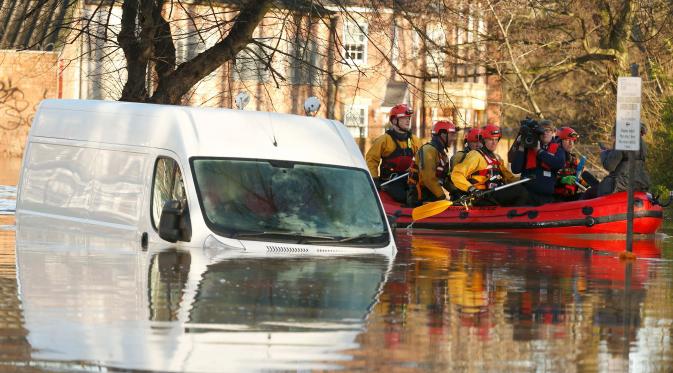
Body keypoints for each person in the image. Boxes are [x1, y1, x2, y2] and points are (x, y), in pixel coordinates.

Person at [451, 124, 528, 206]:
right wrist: (472, 189)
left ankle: (514, 214)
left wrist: (526, 178)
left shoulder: (496, 159)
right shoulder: (476, 155)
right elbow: (456, 174)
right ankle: (517, 216)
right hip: (482, 195)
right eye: (491, 139)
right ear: (484, 140)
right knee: (520, 191)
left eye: (496, 139)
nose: (494, 143)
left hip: (494, 194)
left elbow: (510, 178)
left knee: (525, 188)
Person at [365, 103, 422, 203]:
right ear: (395, 120)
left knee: (419, 196)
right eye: (404, 118)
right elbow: (371, 160)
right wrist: (374, 179)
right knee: (402, 197)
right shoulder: (384, 140)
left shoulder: (414, 140)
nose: (408, 120)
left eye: (408, 118)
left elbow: (422, 160)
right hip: (390, 182)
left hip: (408, 179)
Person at [511, 120, 566, 206]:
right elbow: (515, 169)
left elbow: (559, 163)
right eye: (542, 131)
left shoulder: (558, 150)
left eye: (548, 130)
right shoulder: (528, 147)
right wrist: (521, 146)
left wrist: (539, 151)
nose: (545, 133)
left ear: (553, 132)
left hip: (547, 198)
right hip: (528, 197)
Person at [406, 120, 457, 206]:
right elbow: (428, 179)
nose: (453, 138)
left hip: (432, 194)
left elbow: (444, 179)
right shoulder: (428, 151)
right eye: (451, 135)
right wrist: (442, 197)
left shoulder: (442, 154)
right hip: (420, 197)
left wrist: (455, 191)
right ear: (443, 134)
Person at [596, 123, 650, 196]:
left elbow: (609, 166)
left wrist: (603, 153)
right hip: (640, 183)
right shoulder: (643, 145)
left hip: (621, 184)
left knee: (589, 192)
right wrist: (611, 152)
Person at [446, 127, 481, 200]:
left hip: (479, 195)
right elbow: (454, 180)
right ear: (467, 143)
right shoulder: (459, 157)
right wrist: (460, 195)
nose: (478, 145)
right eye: (474, 142)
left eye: (480, 142)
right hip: (462, 196)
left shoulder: (484, 158)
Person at [553, 127, 585, 201]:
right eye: (567, 140)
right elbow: (544, 179)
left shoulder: (574, 160)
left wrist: (585, 182)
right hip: (555, 198)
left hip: (570, 198)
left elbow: (580, 178)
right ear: (558, 142)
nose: (571, 143)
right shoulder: (551, 157)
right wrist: (561, 180)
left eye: (573, 141)